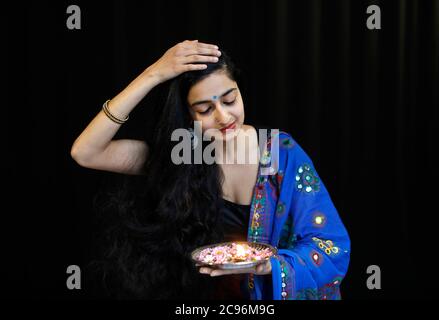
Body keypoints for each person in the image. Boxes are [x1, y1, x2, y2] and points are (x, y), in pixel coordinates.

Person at [71, 40, 350, 300]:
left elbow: (331, 246)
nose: (224, 117)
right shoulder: (179, 157)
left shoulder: (282, 153)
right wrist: (153, 75)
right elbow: (86, 152)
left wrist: (269, 267)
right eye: (205, 109)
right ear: (187, 115)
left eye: (230, 100)